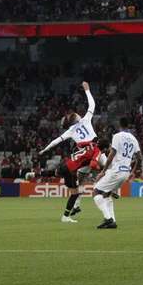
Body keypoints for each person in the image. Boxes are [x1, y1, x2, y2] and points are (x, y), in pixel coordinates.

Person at [38, 81, 98, 223]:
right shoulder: (86, 119)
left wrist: (46, 148)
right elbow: (92, 105)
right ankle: (109, 189)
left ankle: (76, 205)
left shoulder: (70, 130)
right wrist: (87, 90)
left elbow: (57, 140)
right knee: (106, 164)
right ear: (77, 117)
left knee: (80, 179)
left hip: (82, 155)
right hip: (94, 151)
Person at [94, 116, 142, 229]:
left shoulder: (117, 136)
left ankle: (108, 219)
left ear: (119, 125)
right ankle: (112, 221)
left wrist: (103, 171)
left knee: (96, 192)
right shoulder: (133, 139)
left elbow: (111, 154)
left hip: (117, 170)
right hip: (125, 173)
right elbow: (140, 158)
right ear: (129, 125)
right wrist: (133, 171)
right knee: (106, 194)